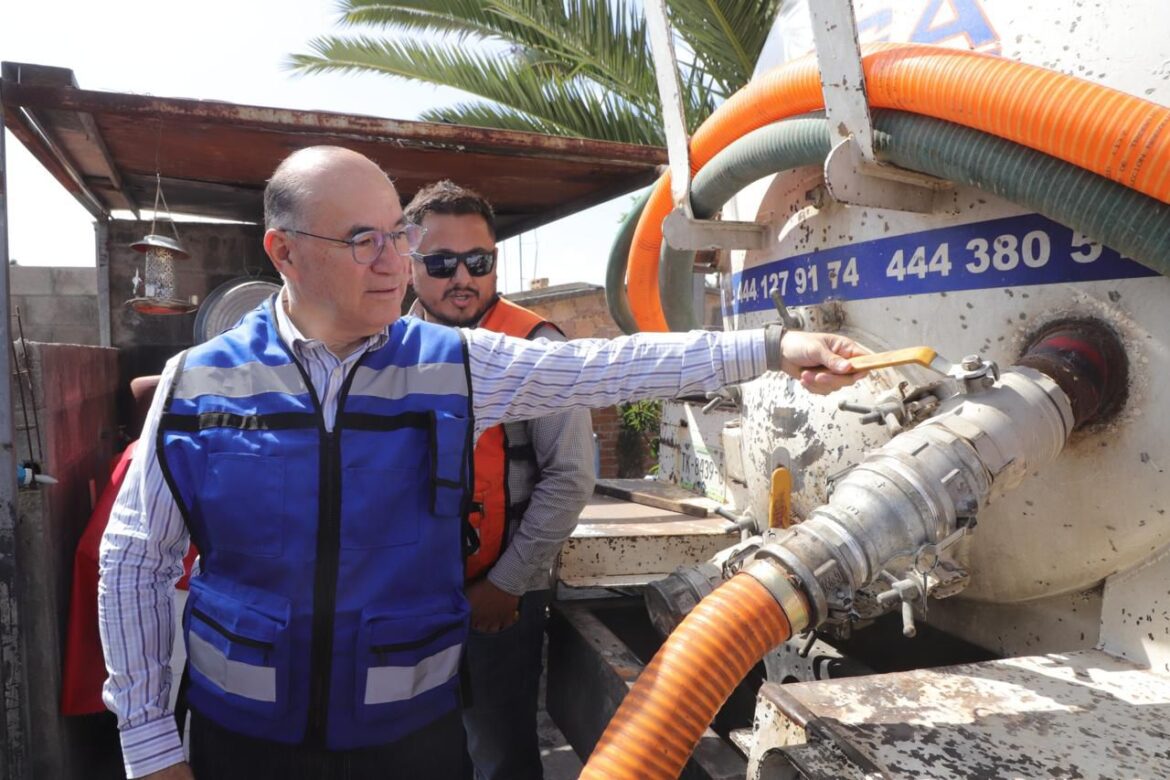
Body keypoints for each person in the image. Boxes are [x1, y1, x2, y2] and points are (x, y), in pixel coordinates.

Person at [98, 145, 866, 780]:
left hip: (412, 740)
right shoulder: (195, 383)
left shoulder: (458, 364)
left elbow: (608, 367)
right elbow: (135, 561)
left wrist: (775, 348)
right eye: (363, 240)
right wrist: (149, 741)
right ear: (284, 252)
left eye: (396, 236)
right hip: (242, 739)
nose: (393, 262)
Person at [404, 180, 594, 780]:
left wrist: (506, 585)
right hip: (405, 595)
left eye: (478, 261)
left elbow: (571, 477)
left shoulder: (537, 347)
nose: (462, 277)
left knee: (500, 752)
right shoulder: (386, 344)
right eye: (441, 263)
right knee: (415, 748)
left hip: (500, 597)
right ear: (410, 264)